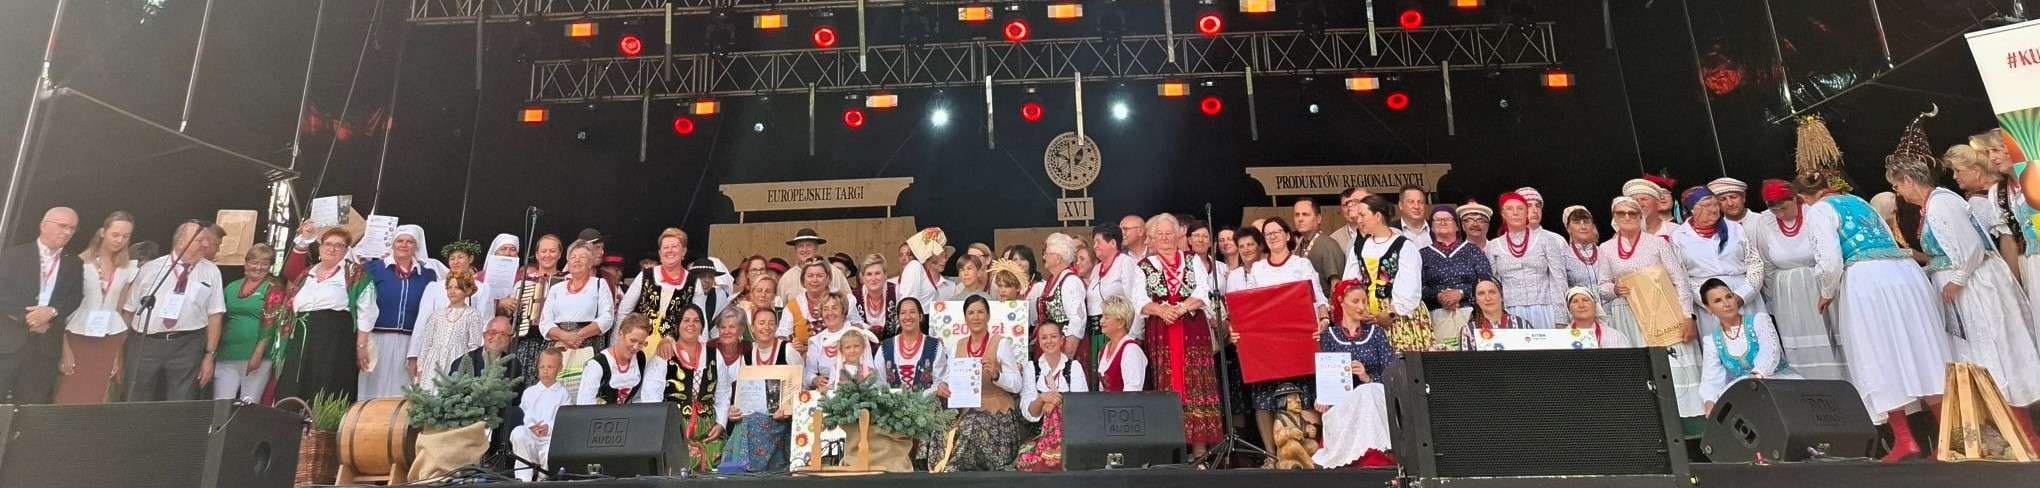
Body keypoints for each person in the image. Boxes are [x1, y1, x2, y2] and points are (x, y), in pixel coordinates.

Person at [1796, 123, 1953, 462]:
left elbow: (1829, 262)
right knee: (1920, 347)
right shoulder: (1859, 202)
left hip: (1866, 280)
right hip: (1904, 274)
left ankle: (1905, 440)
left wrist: (1826, 291)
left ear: (1805, 198)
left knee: (1877, 352)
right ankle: (1947, 438)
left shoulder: (1820, 211)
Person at [1891, 155, 2040, 439]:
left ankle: (2023, 434)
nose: (1899, 192)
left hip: (1976, 286)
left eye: (1898, 186)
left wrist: (1957, 280)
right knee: (1978, 354)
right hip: (1966, 286)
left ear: (1909, 180)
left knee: (1991, 350)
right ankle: (2002, 432)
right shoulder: (1933, 204)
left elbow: (1970, 248)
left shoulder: (1941, 203)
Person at [1230, 218, 1325, 454]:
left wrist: (1323, 321)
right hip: (1266, 345)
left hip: (1297, 342)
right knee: (1264, 400)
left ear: (1287, 236)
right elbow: (1250, 306)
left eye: (1277, 232)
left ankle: (1302, 452)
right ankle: (1271, 454)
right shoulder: (1258, 269)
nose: (1272, 236)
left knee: (1301, 396)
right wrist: (1238, 330)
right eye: (1268, 233)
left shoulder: (1301, 264)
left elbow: (1319, 299)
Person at [1131, 213, 1220, 454]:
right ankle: (1176, 451)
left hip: (1192, 329)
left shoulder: (1192, 260)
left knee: (1196, 385)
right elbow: (1139, 299)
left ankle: (1200, 450)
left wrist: (1180, 308)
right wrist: (1161, 310)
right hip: (1162, 331)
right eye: (1159, 234)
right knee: (1168, 384)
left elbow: (1202, 291)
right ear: (1152, 238)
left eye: (1169, 233)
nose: (1164, 238)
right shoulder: (1144, 266)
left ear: (1178, 235)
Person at [1749, 180, 1847, 381]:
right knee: (1800, 338)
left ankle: (1844, 381)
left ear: (1796, 199)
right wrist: (1772, 298)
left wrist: (1830, 287)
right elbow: (1767, 263)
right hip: (1787, 291)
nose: (1780, 214)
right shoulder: (1764, 221)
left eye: (1784, 207)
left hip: (1818, 284)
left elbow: (1830, 253)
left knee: (1830, 334)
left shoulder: (1813, 212)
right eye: (1775, 210)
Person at [119, 221, 225, 402]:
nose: (206, 245)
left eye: (207, 240)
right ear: (181, 241)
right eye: (200, 240)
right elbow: (129, 311)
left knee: (181, 400)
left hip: (187, 344)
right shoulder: (151, 269)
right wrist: (119, 352)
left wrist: (209, 355)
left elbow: (215, 315)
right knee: (135, 396)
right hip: (146, 342)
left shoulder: (211, 271)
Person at [276, 225, 377, 401]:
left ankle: (322, 419)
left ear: (346, 250)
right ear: (320, 248)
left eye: (339, 245)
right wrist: (304, 239)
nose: (332, 248)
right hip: (302, 335)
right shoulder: (307, 274)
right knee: (295, 381)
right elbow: (289, 271)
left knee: (328, 382)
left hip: (335, 337)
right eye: (328, 244)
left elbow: (366, 310)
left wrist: (361, 345)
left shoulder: (355, 273)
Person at [929, 295, 1027, 472]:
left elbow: (1017, 384)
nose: (976, 317)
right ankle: (934, 463)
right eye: (971, 313)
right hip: (965, 408)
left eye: (981, 312)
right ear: (965, 318)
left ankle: (953, 466)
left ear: (988, 316)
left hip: (996, 410)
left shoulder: (1000, 343)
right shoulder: (957, 345)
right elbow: (950, 378)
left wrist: (997, 375)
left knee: (973, 422)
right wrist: (943, 386)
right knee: (937, 406)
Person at [1, 207, 82, 404]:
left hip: (45, 347)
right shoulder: (13, 255)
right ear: (44, 225)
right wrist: (29, 318)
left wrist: (51, 312)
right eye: (62, 226)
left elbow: (75, 297)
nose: (67, 232)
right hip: (9, 341)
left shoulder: (74, 263)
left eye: (72, 228)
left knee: (31, 405)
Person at [1313, 280, 1396, 469]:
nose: (1361, 307)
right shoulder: (1328, 336)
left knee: (1367, 392)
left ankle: (1375, 453)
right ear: (1341, 302)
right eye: (1355, 301)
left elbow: (1392, 373)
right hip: (1344, 402)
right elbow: (1324, 375)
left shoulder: (1376, 333)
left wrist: (1367, 378)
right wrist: (1322, 397)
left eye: (1364, 301)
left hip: (1375, 396)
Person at [55, 211, 135, 404]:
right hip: (77, 336)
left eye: (125, 236)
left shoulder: (127, 269)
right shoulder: (80, 263)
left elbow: (120, 311)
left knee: (97, 392)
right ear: (102, 232)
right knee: (68, 391)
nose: (119, 240)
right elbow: (63, 307)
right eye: (115, 234)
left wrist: (118, 354)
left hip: (108, 338)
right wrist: (64, 349)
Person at [355, 225, 441, 399]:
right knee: (372, 385)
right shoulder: (373, 268)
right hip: (377, 338)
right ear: (392, 244)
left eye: (409, 242)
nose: (404, 244)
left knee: (402, 388)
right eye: (400, 241)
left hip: (410, 342)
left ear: (416, 246)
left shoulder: (427, 275)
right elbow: (362, 301)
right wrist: (361, 343)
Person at [1694, 278, 1800, 414]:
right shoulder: (1712, 341)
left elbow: (1769, 351)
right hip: (1746, 392)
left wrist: (1757, 375)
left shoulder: (1759, 321)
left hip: (1777, 383)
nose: (1726, 304)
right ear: (1709, 308)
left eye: (1729, 296)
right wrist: (1710, 401)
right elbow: (1711, 377)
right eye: (1718, 301)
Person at [1341, 195, 1433, 351]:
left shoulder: (1404, 245)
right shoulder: (1360, 247)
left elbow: (1410, 286)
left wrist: (1391, 312)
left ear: (1377, 216)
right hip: (1367, 315)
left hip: (1399, 314)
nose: (1359, 220)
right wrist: (1357, 308)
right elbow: (1349, 282)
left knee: (1402, 360)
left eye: (1362, 215)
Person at [643, 305, 728, 471]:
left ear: (702, 326)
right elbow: (651, 396)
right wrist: (664, 432)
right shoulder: (665, 353)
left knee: (726, 458)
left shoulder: (714, 354)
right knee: (679, 462)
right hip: (675, 429)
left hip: (709, 431)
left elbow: (723, 393)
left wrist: (721, 423)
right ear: (678, 325)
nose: (691, 324)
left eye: (696, 321)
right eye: (686, 320)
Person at [1673, 187, 1768, 336]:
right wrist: (1709, 300)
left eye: (1715, 204)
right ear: (1692, 209)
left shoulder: (1735, 229)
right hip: (1708, 302)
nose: (1713, 209)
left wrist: (1742, 295)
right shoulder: (1678, 236)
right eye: (1706, 205)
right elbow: (1682, 276)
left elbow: (1755, 264)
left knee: (1756, 339)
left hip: (1743, 295)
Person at [206, 243, 279, 404]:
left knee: (248, 405)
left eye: (264, 264)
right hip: (226, 354)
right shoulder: (232, 287)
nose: (258, 267)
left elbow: (271, 322)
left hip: (255, 356)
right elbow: (218, 317)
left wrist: (258, 353)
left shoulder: (273, 287)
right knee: (221, 403)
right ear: (246, 263)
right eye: (254, 262)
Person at [619, 229, 711, 353]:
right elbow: (624, 311)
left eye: (674, 246)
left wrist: (702, 352)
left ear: (683, 251)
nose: (670, 250)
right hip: (639, 347)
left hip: (674, 350)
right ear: (660, 253)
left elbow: (700, 320)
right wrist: (617, 346)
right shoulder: (645, 275)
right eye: (666, 247)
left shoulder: (694, 282)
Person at [1484, 192, 1568, 329]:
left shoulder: (1546, 240)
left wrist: (1561, 317)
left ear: (1526, 213)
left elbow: (1558, 280)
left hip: (1545, 309)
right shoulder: (1493, 246)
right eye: (1510, 209)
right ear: (1503, 214)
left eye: (1520, 208)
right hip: (1510, 311)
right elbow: (1494, 284)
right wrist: (1496, 317)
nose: (1515, 212)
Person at [1015, 322, 1089, 472]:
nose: (1049, 341)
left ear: (1062, 340)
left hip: (1068, 434)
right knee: (1024, 459)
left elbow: (1081, 406)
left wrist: (1054, 403)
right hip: (1039, 434)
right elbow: (1029, 413)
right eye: (1044, 338)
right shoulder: (1031, 368)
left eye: (1053, 336)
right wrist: (1043, 398)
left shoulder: (1074, 367)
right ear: (1039, 342)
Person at [1948, 144, 2026, 284]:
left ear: (1976, 171)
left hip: (2006, 267)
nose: (1954, 177)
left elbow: (1979, 242)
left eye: (1958, 171)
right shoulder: (2004, 188)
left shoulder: (1978, 201)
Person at [1421, 205, 1492, 350]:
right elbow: (1418, 288)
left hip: (1471, 314)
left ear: (1457, 226)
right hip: (1437, 316)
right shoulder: (1423, 254)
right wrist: (1438, 295)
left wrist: (1460, 293)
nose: (1442, 222)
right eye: (1437, 220)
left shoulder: (1473, 250)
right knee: (1444, 358)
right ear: (1431, 227)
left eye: (1447, 219)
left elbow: (1486, 282)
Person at [409, 270, 487, 392]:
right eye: (449, 287)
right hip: (433, 363)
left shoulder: (473, 315)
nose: (452, 291)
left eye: (457, 288)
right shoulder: (437, 314)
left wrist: (467, 369)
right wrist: (421, 368)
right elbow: (427, 343)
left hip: (457, 361)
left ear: (468, 290)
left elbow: (474, 346)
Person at [509, 234, 565, 384]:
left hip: (555, 340)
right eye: (544, 251)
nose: (547, 255)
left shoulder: (567, 281)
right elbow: (512, 315)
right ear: (537, 254)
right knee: (523, 383)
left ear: (560, 254)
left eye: (552, 251)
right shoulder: (523, 282)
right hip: (527, 340)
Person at [542, 240, 616, 353]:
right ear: (568, 263)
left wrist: (578, 335)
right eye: (573, 257)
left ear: (590, 263)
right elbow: (545, 321)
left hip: (588, 344)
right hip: (558, 345)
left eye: (582, 257)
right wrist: (565, 336)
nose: (577, 260)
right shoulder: (556, 288)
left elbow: (607, 317)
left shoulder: (599, 284)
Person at [511, 347, 573, 481]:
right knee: (518, 432)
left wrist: (548, 428)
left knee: (551, 448)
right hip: (532, 438)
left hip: (549, 439)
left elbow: (564, 419)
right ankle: (523, 478)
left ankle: (543, 479)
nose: (545, 371)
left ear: (559, 368)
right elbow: (523, 416)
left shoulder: (563, 394)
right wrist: (531, 426)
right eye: (542, 367)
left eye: (550, 367)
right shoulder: (529, 393)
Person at [781, 261, 860, 352]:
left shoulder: (845, 299)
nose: (814, 280)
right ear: (803, 280)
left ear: (828, 279)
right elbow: (783, 337)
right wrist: (793, 345)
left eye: (820, 276)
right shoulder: (793, 306)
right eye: (810, 276)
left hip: (842, 354)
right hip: (802, 358)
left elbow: (857, 329)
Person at [805, 294, 877, 390]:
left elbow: (869, 366)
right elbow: (809, 373)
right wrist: (815, 380)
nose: (830, 313)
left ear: (844, 312)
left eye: (834, 308)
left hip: (860, 388)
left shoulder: (857, 333)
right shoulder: (816, 341)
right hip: (829, 391)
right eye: (825, 309)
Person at [579, 314, 654, 405]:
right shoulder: (597, 365)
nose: (635, 347)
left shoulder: (639, 358)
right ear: (621, 334)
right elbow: (584, 405)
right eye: (633, 340)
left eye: (641, 343)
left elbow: (638, 397)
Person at [881, 297, 947, 390]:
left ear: (920, 316)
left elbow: (939, 383)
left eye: (912, 312)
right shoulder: (885, 347)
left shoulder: (935, 346)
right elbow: (879, 383)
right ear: (898, 318)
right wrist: (898, 396)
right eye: (903, 313)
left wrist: (921, 397)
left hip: (928, 399)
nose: (908, 317)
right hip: (892, 399)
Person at [1039, 233, 1088, 356]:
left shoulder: (1071, 281)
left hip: (1064, 347)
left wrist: (1067, 356)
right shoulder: (1052, 279)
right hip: (1051, 346)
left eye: (1047, 253)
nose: (1044, 257)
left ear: (1057, 258)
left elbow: (1078, 320)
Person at [1294, 198, 1350, 293]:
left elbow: (1336, 284)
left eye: (1305, 214)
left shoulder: (1327, 245)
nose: (1300, 219)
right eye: (1297, 215)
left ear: (1318, 218)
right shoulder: (1300, 245)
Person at [1093, 297, 1147, 392]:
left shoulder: (1131, 350)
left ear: (1121, 323)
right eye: (1102, 316)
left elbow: (1133, 390)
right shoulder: (1104, 349)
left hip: (1126, 402)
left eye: (1107, 317)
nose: (1101, 321)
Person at [450, 316, 522, 387]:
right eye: (492, 332)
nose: (497, 338)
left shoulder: (514, 364)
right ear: (484, 335)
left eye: (503, 334)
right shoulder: (462, 363)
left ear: (510, 340)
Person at [1459, 278, 1530, 348]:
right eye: (1481, 294)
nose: (1488, 298)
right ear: (1476, 300)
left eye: (1492, 292)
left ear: (1501, 296)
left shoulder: (1522, 324)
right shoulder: (1468, 330)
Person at [1558, 287, 1632, 348]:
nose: (1581, 305)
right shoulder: (1562, 338)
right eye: (1575, 301)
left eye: (1585, 300)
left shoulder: (1615, 336)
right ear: (1569, 309)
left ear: (1595, 306)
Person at [851, 255, 900, 341]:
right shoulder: (853, 298)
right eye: (869, 274)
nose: (873, 278)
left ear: (885, 275)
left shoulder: (897, 292)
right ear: (863, 277)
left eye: (877, 273)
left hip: (893, 345)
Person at [898, 228, 947, 307]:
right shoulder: (914, 266)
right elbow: (908, 301)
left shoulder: (923, 269)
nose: (942, 254)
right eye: (940, 250)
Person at [1560, 206, 1604, 291]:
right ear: (1568, 228)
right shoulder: (1563, 256)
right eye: (1577, 222)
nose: (1583, 226)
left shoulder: (1603, 251)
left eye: (1587, 222)